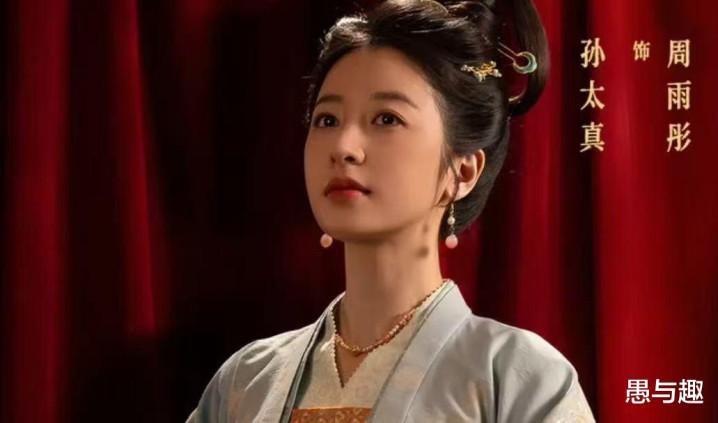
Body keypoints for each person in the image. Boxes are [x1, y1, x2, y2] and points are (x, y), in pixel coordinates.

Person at [186, 0, 596, 421]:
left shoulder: (518, 377)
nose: (343, 147)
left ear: (462, 171)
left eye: (386, 119)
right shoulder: (246, 381)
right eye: (327, 120)